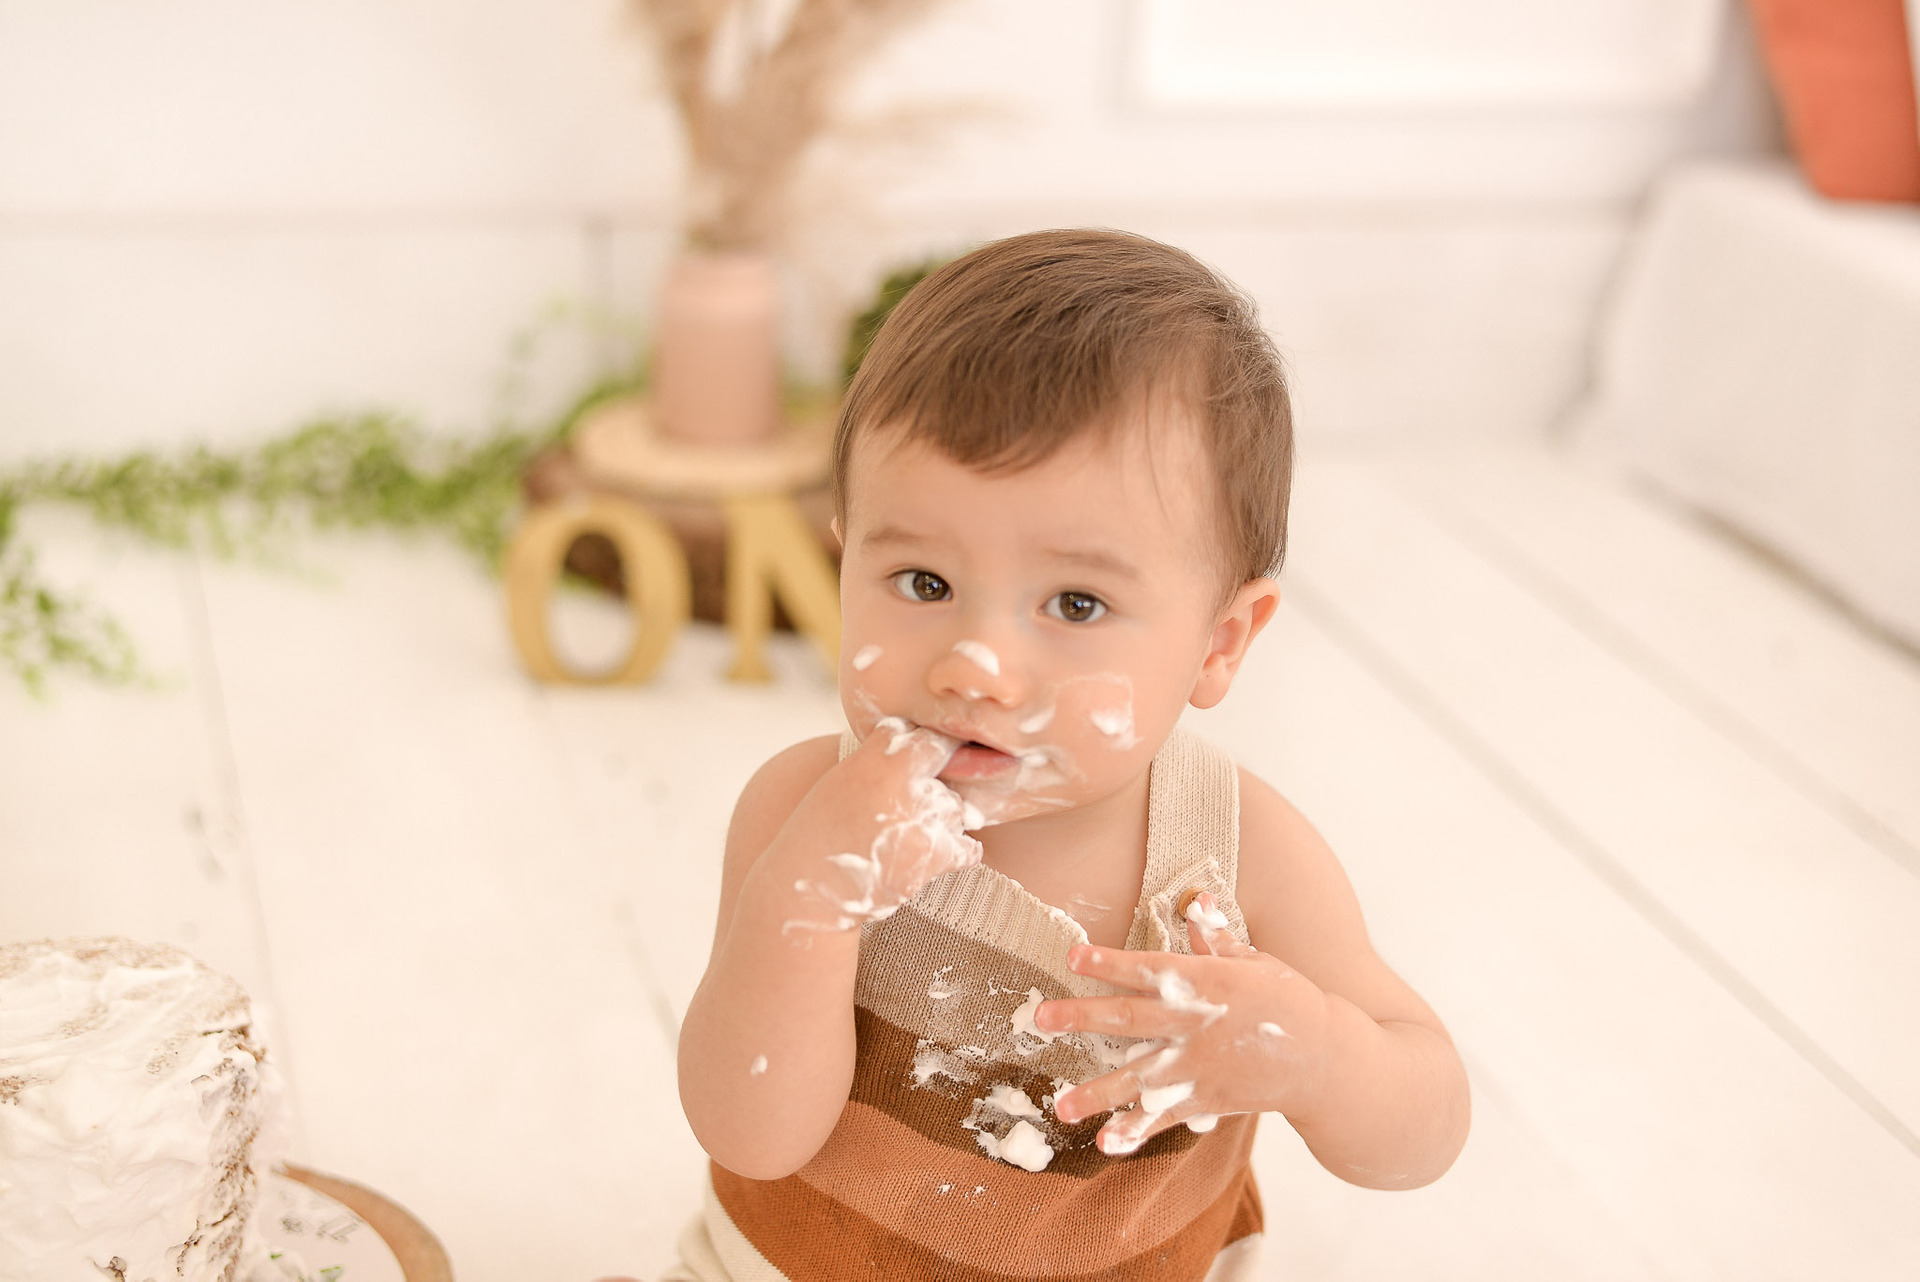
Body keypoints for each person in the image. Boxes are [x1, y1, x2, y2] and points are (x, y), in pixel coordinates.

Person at [668, 229, 1470, 1279]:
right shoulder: (806, 814)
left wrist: (1318, 1051)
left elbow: (1424, 1130)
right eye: (921, 583)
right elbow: (750, 1133)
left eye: (1076, 603)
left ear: (1218, 643)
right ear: (844, 554)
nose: (977, 668)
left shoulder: (1237, 857)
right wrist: (808, 900)